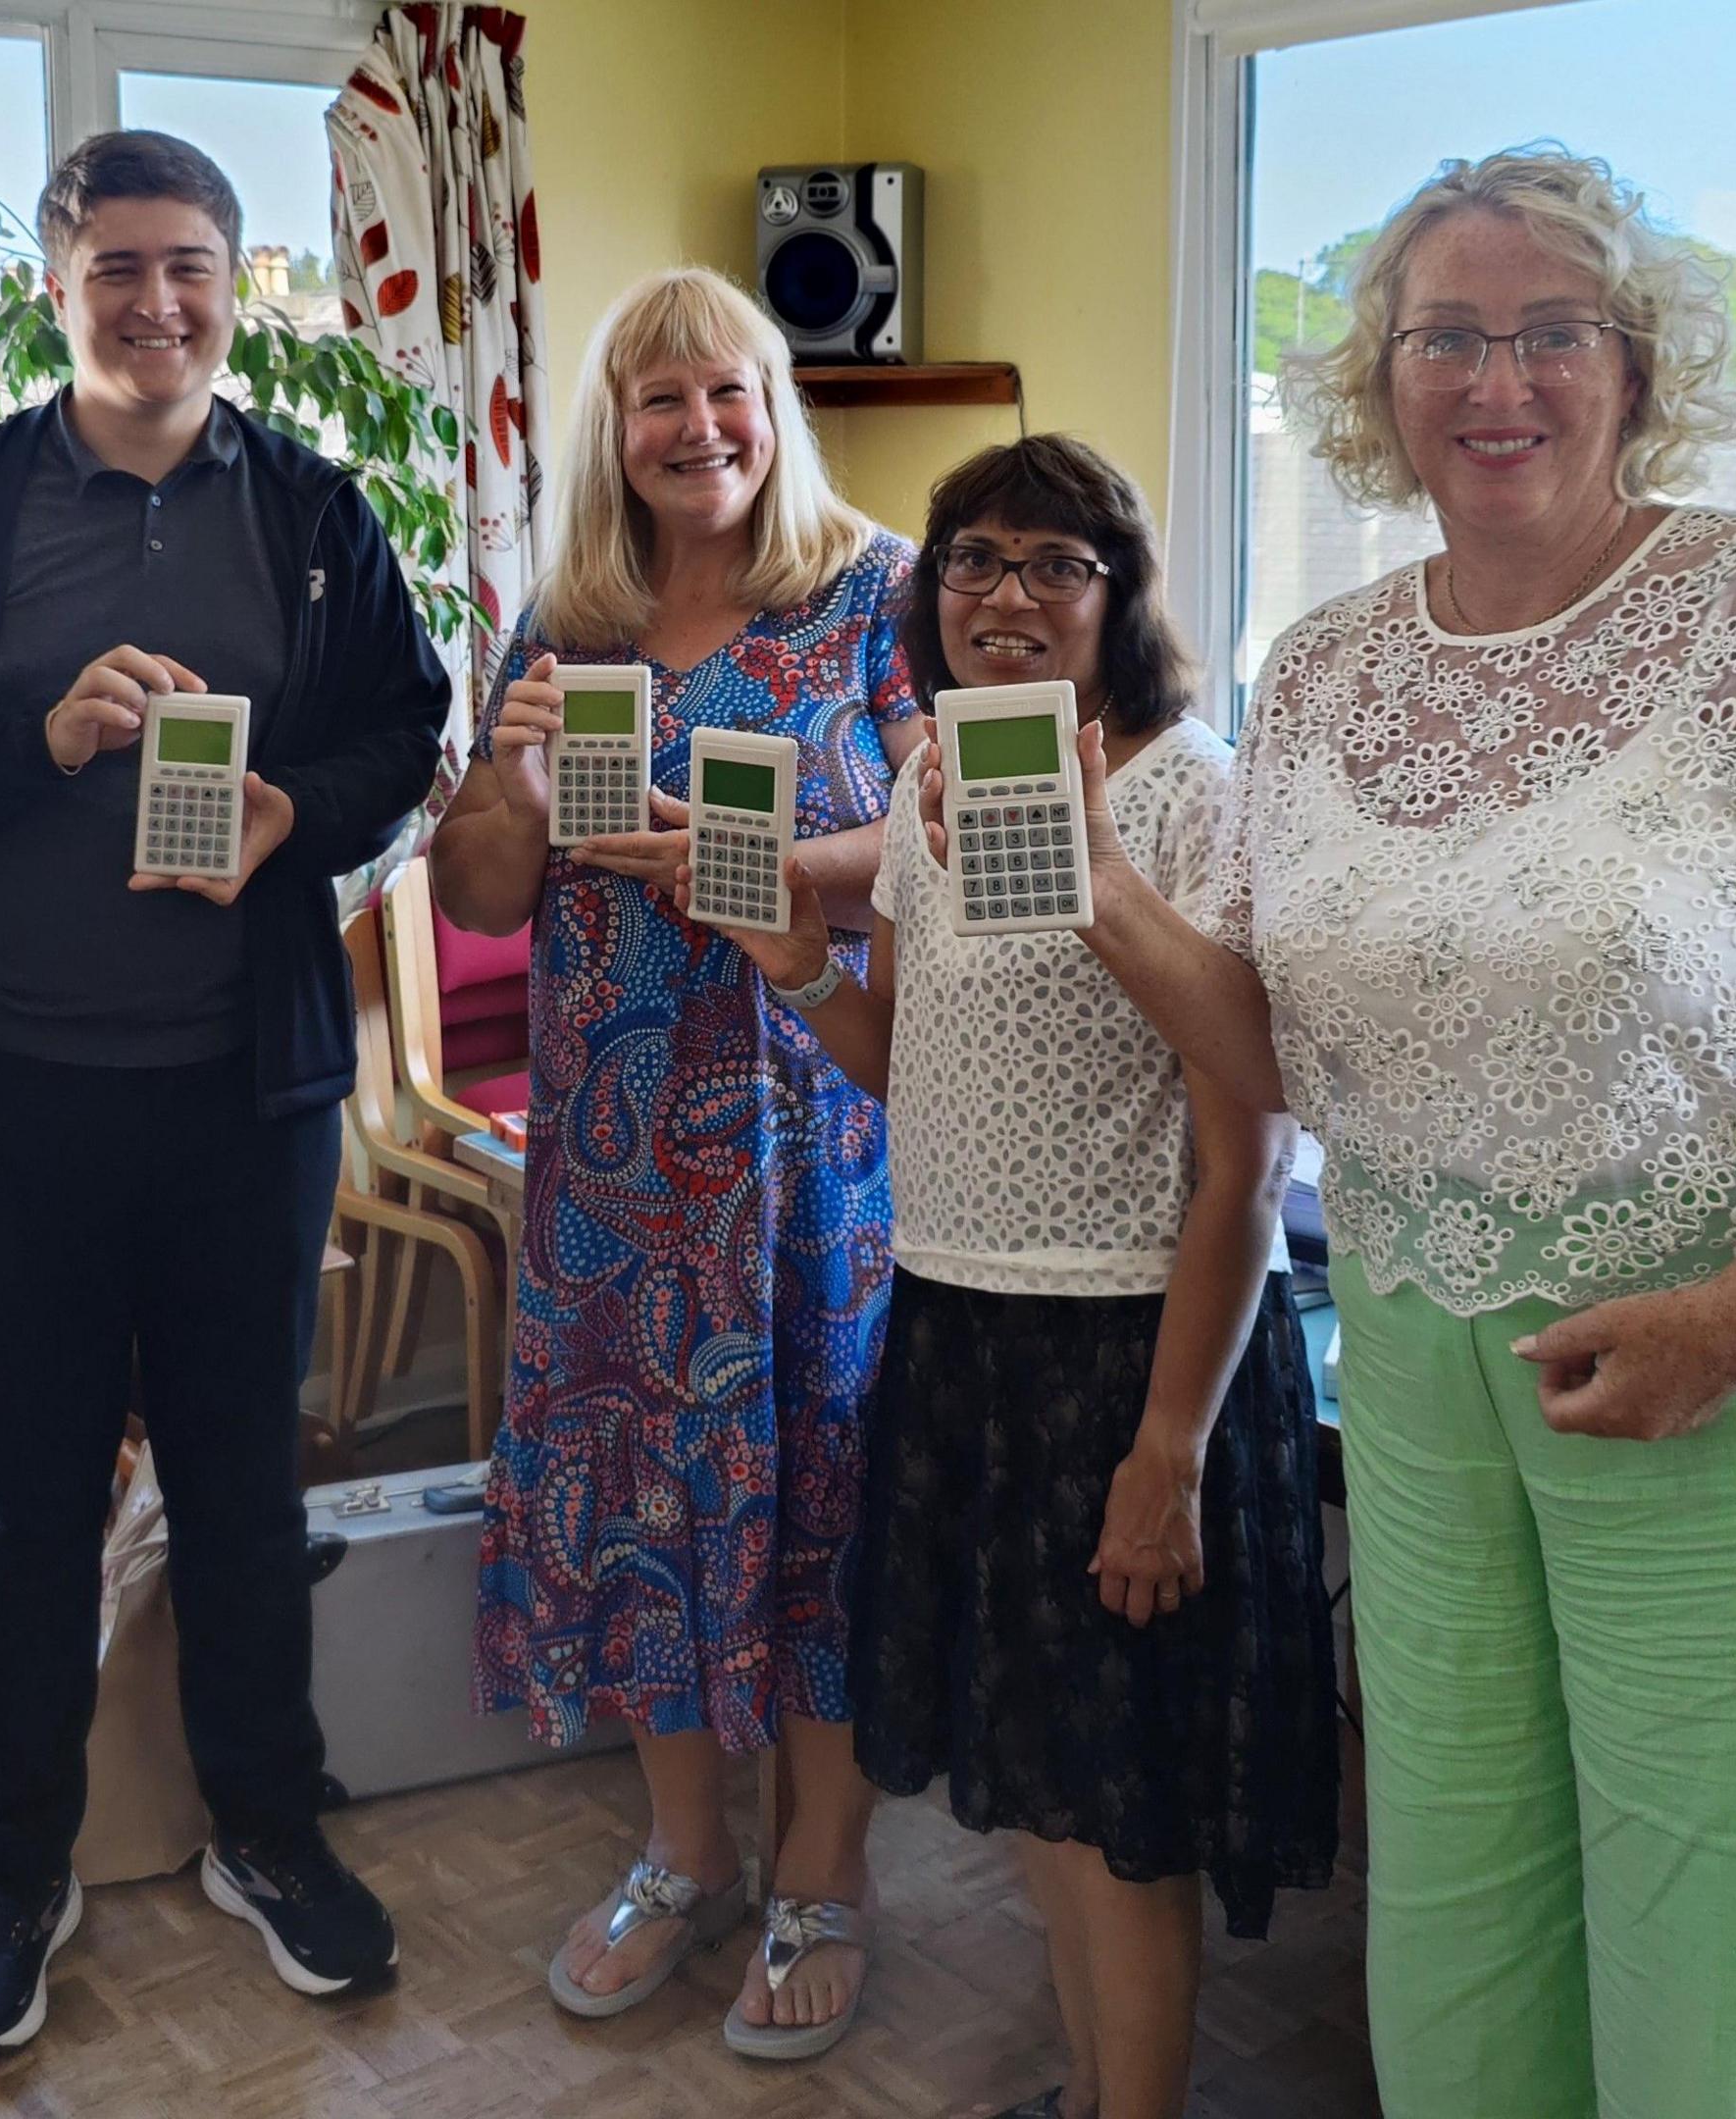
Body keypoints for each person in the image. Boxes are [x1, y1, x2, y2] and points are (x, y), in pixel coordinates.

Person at [988, 148, 1736, 2117]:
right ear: (1383, 382)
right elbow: (1268, 1041)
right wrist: (1093, 884)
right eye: (1448, 339)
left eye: (1552, 333)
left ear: (1637, 365)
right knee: (1469, 1912)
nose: (1498, 380)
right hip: (1426, 1364)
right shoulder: (1323, 670)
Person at [0, 129, 445, 2052]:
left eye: (192, 268)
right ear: (58, 284)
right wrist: (38, 734)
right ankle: (16, 1869)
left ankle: (267, 1830)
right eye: (120, 267)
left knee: (245, 1486)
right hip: (10, 1105)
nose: (159, 304)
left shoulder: (316, 513)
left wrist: (291, 813)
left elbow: (407, 729)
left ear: (241, 287)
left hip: (243, 1104)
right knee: (26, 1509)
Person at [717, 435, 1339, 2119]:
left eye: (1056, 564)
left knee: (1115, 1816)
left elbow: (1251, 1155)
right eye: (974, 559)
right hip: (959, 1331)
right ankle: (1090, 2093)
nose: (1005, 595)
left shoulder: (1192, 794)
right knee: (1046, 1805)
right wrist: (798, 966)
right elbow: (906, 1056)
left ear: (1119, 596)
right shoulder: (935, 786)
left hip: (1132, 1353)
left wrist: (1169, 1451)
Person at [435, 266, 913, 2061]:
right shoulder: (562, 622)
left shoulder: (876, 592)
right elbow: (482, 889)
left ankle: (827, 1872)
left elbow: (936, 836)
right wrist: (517, 782)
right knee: (635, 1491)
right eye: (659, 402)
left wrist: (766, 860)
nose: (699, 430)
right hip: (610, 1170)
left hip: (812, 1147)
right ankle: (682, 1854)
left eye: (729, 393)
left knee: (820, 1499)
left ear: (775, 405)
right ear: (612, 434)